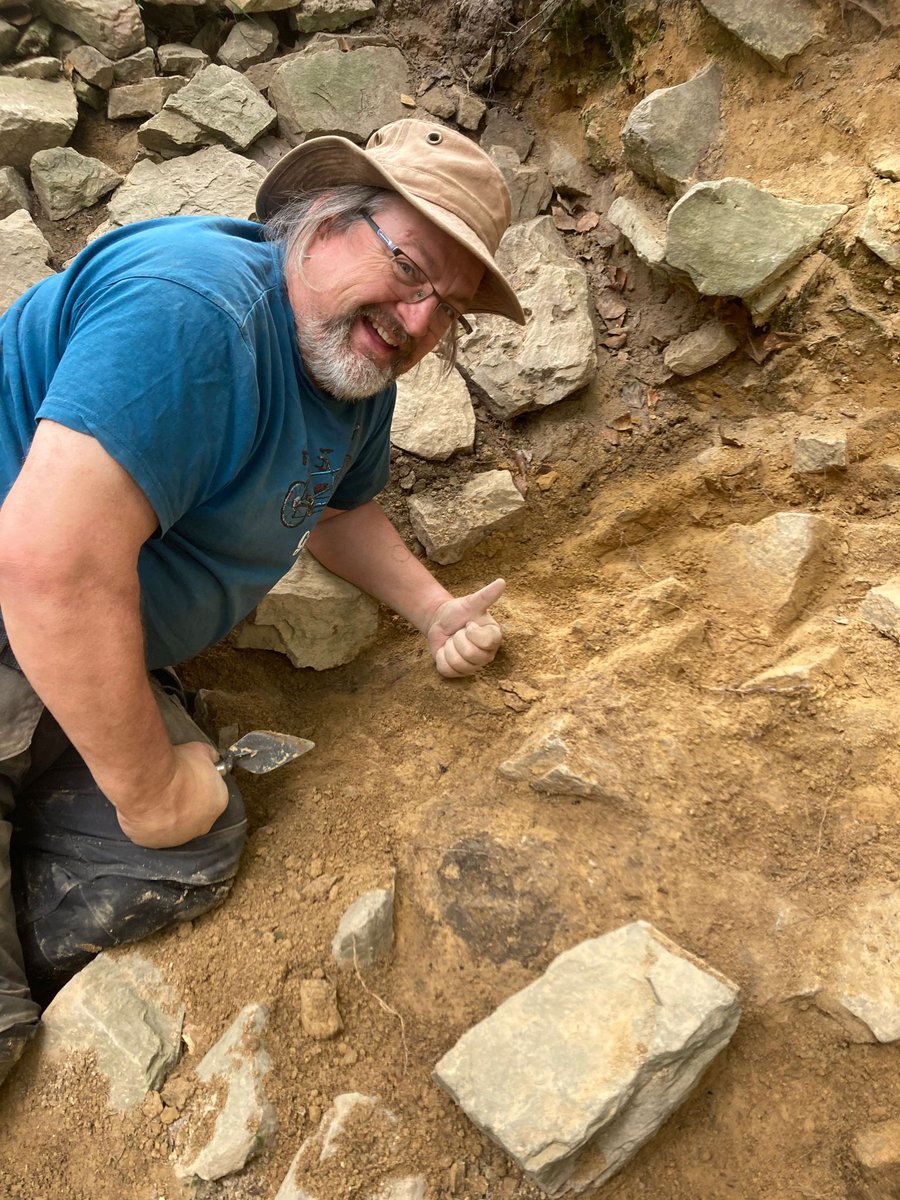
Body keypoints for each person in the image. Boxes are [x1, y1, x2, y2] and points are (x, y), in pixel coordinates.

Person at [0, 118, 526, 1084]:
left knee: (192, 851)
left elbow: (335, 509)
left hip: (70, 636)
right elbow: (47, 566)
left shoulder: (350, 367)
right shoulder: (195, 313)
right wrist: (152, 789)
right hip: (17, 606)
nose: (417, 321)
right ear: (323, 219)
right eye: (411, 267)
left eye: (447, 306)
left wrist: (433, 607)